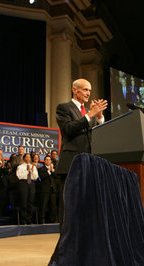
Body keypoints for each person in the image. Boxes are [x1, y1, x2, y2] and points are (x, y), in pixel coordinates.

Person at [55, 78, 107, 225]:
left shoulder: (88, 113)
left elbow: (97, 134)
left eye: (89, 90)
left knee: (86, 208)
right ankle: (66, 246)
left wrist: (99, 117)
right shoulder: (64, 108)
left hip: (89, 164)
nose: (88, 93)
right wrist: (90, 115)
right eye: (85, 89)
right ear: (74, 90)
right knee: (69, 208)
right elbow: (68, 129)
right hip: (71, 164)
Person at [16, 153, 38, 225]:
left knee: (30, 202)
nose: (28, 159)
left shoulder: (33, 167)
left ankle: (29, 220)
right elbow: (19, 176)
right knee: (24, 202)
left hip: (31, 184)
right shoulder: (20, 167)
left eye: (29, 157)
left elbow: (35, 177)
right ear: (24, 158)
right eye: (26, 157)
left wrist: (31, 171)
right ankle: (23, 221)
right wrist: (27, 171)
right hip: (23, 183)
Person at [38, 155, 57, 223]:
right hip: (45, 190)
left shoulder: (53, 169)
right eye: (46, 160)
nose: (48, 161)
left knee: (53, 206)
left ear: (51, 161)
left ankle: (53, 220)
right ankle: (42, 220)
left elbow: (56, 176)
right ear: (44, 161)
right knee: (43, 206)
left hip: (53, 190)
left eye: (49, 160)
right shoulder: (41, 169)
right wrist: (49, 171)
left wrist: (52, 170)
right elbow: (42, 177)